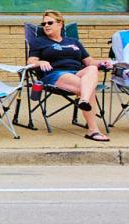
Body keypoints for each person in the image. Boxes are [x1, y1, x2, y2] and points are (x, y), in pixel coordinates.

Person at [28, 9, 109, 142]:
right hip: (55, 74)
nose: (46, 26)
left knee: (92, 69)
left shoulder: (74, 42)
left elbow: (90, 62)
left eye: (50, 22)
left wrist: (102, 62)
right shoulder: (39, 41)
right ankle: (93, 130)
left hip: (77, 72)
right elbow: (31, 61)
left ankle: (83, 100)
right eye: (44, 24)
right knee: (89, 88)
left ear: (60, 24)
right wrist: (41, 61)